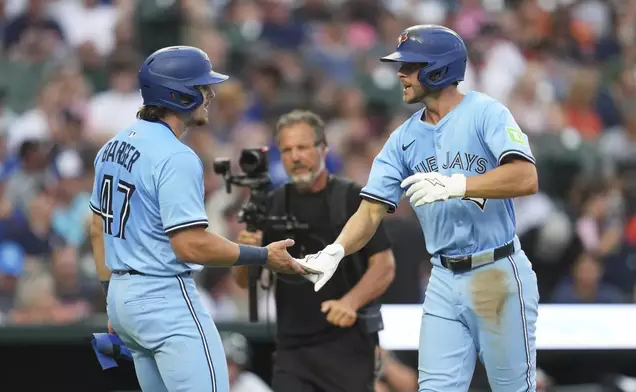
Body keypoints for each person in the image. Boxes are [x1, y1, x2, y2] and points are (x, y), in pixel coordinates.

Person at [300, 25, 540, 391]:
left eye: (410, 66)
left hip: (497, 270)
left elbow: (525, 177)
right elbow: (370, 211)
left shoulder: (486, 112)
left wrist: (457, 185)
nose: (400, 74)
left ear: (438, 69)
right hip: (443, 278)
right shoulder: (404, 138)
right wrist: (336, 250)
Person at [88, 46, 316, 392]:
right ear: (178, 95)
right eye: (201, 87)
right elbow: (190, 245)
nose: (209, 94)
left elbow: (97, 228)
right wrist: (264, 256)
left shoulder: (112, 146)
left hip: (123, 299)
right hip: (164, 297)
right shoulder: (176, 156)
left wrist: (112, 295)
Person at [233, 109, 395, 392]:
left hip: (348, 346)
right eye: (286, 150)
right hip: (292, 350)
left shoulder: (351, 198)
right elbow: (243, 281)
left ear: (323, 148)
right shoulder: (270, 204)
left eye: (303, 147)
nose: (295, 157)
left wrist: (350, 303)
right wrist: (247, 253)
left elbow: (384, 265)